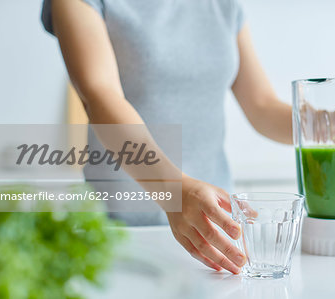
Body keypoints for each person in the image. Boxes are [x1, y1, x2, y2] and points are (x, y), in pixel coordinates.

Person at [42, 0, 294, 274]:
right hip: (119, 235)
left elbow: (262, 106)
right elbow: (100, 94)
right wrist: (173, 189)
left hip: (214, 239)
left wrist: (327, 121)